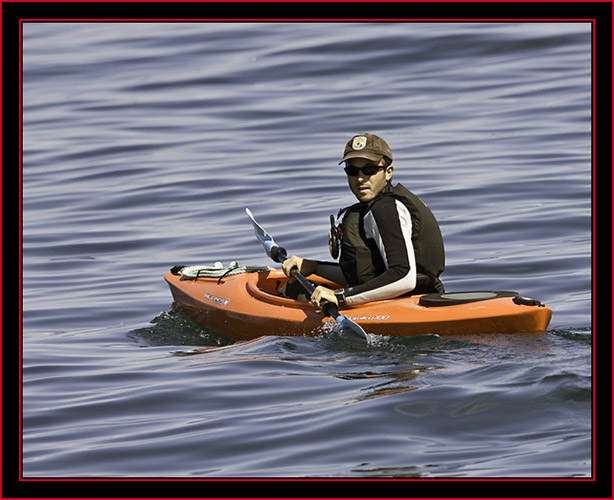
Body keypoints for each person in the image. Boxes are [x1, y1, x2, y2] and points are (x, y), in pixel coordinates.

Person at [282, 133, 445, 310]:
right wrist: (314, 267)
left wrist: (341, 297)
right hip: (406, 300)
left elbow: (403, 277)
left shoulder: (385, 209)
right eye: (352, 171)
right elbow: (369, 277)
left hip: (405, 305)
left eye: (369, 170)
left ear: (388, 172)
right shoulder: (375, 208)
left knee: (293, 291)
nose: (360, 178)